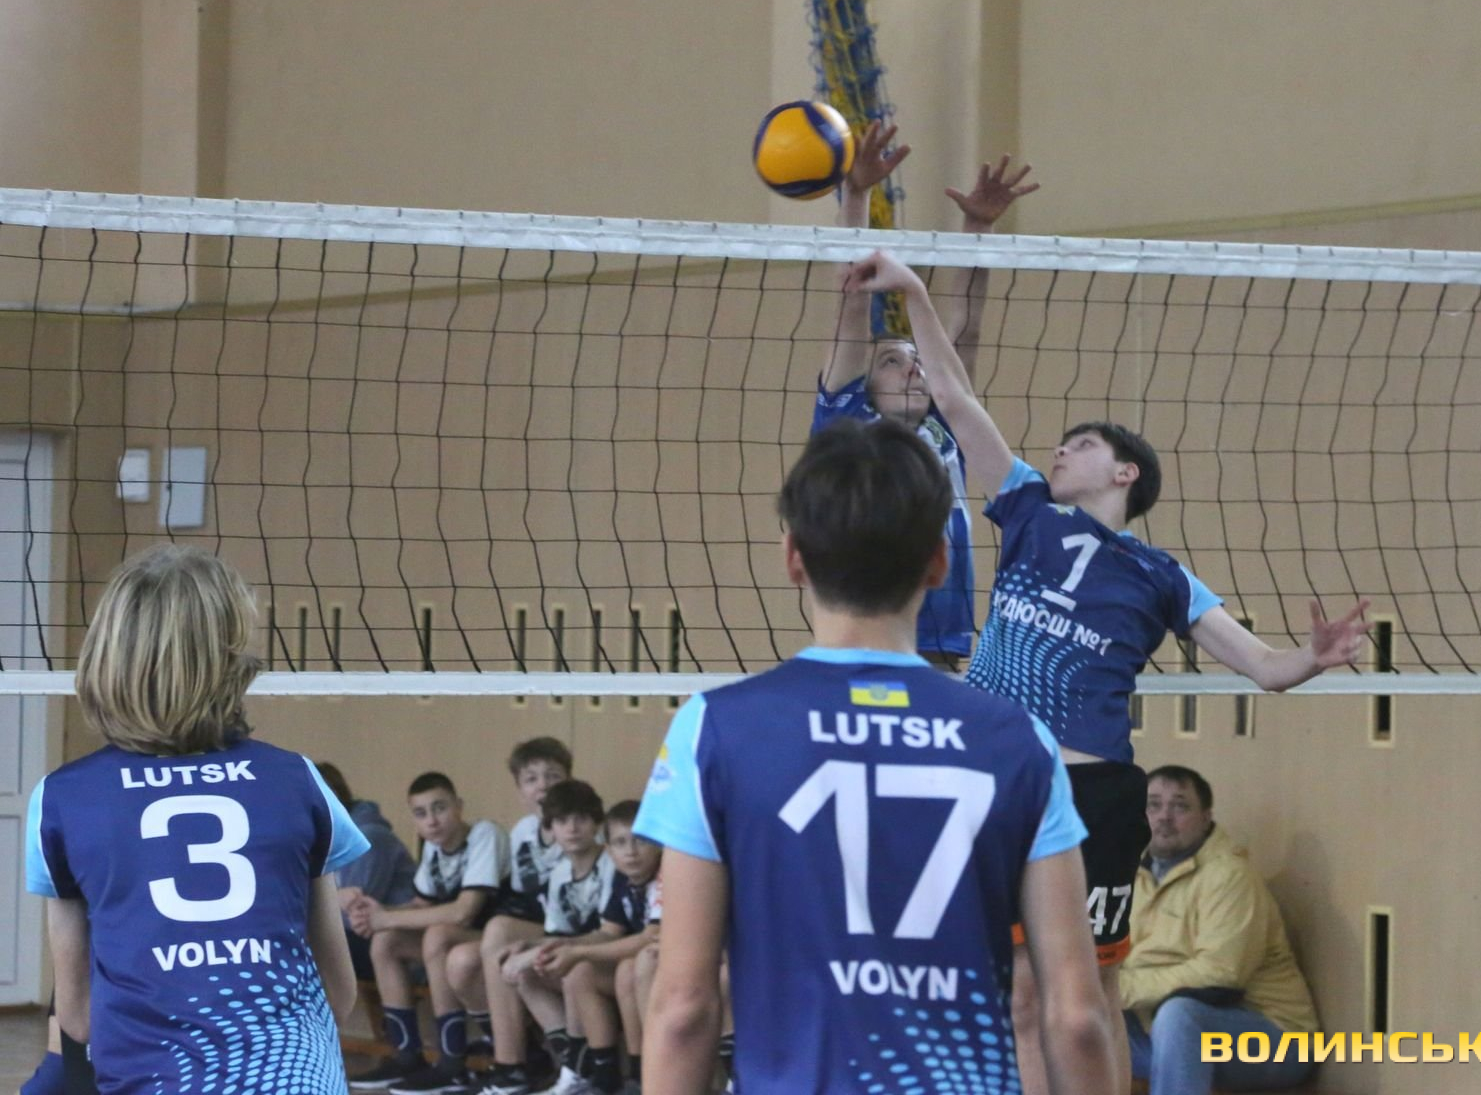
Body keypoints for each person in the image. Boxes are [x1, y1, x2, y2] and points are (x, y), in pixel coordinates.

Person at [845, 249, 1371, 1095]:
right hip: (994, 777)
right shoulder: (1027, 511)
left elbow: (1265, 669)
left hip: (1092, 796)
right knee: (1017, 995)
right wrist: (911, 293)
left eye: (1080, 444)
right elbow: (956, 399)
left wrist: (1314, 655)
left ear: (1124, 473)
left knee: (1092, 997)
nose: (1059, 449)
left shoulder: (1162, 575)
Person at [635, 417, 1113, 1095]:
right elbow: (1076, 1017)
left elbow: (684, 1006)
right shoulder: (1017, 740)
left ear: (793, 557)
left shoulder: (713, 729)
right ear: (940, 562)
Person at [23, 545, 367, 1093]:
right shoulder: (296, 780)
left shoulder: (63, 799)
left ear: (107, 655)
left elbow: (78, 1017)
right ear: (231, 659)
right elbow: (338, 992)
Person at [814, 122, 1040, 664]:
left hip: (942, 647)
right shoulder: (846, 420)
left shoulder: (947, 424)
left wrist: (977, 229)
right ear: (865, 385)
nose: (913, 369)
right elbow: (851, 300)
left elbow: (966, 328)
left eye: (916, 360)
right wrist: (857, 193)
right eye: (892, 362)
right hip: (864, 639)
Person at [1121, 767, 1320, 1095]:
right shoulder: (1132, 874)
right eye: (1153, 805)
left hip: (1271, 1038)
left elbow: (1221, 975)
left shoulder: (1229, 876)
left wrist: (1122, 988)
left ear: (1206, 818)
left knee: (1179, 1016)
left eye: (1180, 806)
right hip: (1162, 1030)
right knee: (1071, 1012)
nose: (1164, 817)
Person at [347, 772, 507, 1092]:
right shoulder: (434, 847)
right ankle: (407, 1056)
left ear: (459, 807)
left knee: (437, 935)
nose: (432, 821)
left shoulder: (484, 834)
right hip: (459, 939)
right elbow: (421, 904)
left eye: (439, 808)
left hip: (495, 937)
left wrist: (386, 919)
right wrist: (378, 914)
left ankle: (452, 1063)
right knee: (385, 941)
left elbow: (464, 912)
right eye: (421, 814)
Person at [446, 737, 578, 1094]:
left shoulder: (577, 826)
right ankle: (530, 1055)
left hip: (574, 928)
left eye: (553, 775)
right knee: (461, 961)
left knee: (500, 930)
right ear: (520, 790)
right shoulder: (522, 831)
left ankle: (510, 1067)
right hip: (536, 922)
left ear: (570, 780)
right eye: (531, 779)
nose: (543, 785)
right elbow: (525, 898)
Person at [525, 800, 662, 1095]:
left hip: (663, 966)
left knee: (626, 969)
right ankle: (604, 1074)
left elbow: (649, 937)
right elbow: (609, 932)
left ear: (659, 843)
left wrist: (578, 951)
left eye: (640, 841)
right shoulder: (623, 878)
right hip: (638, 967)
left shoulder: (665, 874)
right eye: (621, 843)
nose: (631, 851)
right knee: (580, 972)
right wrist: (565, 946)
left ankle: (640, 1072)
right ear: (609, 850)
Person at [491, 779, 617, 1095]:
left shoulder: (611, 863)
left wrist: (540, 951)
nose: (572, 828)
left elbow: (607, 936)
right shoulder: (560, 872)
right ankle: (572, 1065)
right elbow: (559, 934)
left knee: (569, 967)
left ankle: (578, 1070)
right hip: (580, 955)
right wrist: (529, 946)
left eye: (581, 819)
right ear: (550, 828)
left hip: (610, 959)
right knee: (525, 974)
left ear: (597, 823)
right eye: (562, 821)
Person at [317, 761, 419, 980]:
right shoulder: (326, 841)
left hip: (399, 939)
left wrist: (329, 900)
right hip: (371, 937)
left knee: (313, 948)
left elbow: (357, 918)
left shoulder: (367, 837)